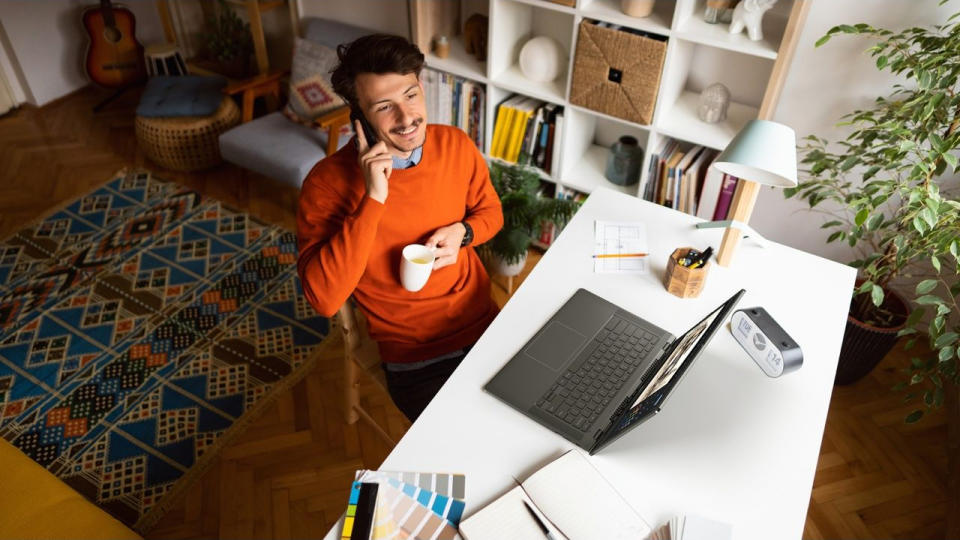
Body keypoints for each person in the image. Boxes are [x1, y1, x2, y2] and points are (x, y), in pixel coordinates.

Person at [296, 34, 503, 422]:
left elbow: (491, 212)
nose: (407, 118)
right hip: (416, 358)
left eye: (410, 95)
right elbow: (324, 299)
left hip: (486, 326)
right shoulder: (326, 184)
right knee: (464, 455)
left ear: (422, 88)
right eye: (385, 106)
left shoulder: (456, 145)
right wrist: (373, 197)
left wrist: (465, 232)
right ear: (359, 117)